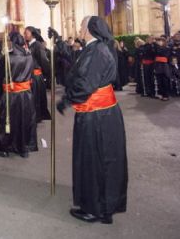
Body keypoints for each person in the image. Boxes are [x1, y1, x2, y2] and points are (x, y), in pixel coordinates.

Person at [53, 16, 127, 225]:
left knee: (93, 159)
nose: (78, 28)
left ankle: (94, 209)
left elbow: (85, 83)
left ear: (89, 30)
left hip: (95, 115)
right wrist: (59, 41)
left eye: (81, 26)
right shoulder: (98, 48)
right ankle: (104, 208)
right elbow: (77, 62)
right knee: (105, 160)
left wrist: (67, 99)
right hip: (104, 113)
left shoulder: (96, 52)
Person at [0, 32, 37, 158]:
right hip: (26, 95)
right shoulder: (29, 56)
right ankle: (23, 148)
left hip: (10, 95)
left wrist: (1, 57)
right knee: (23, 120)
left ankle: (4, 148)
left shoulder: (7, 58)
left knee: (6, 120)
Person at [24, 26, 51, 123]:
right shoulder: (27, 45)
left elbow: (43, 61)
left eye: (26, 33)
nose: (25, 35)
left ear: (32, 34)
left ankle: (37, 117)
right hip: (30, 76)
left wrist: (47, 75)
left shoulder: (38, 45)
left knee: (36, 98)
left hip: (36, 76)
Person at [154, 37, 171, 101]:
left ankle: (166, 95)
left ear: (164, 42)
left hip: (164, 66)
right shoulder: (156, 48)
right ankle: (161, 94)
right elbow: (154, 54)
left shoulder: (167, 48)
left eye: (161, 41)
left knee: (165, 81)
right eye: (158, 41)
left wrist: (159, 47)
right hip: (158, 66)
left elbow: (164, 55)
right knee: (159, 81)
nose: (159, 42)